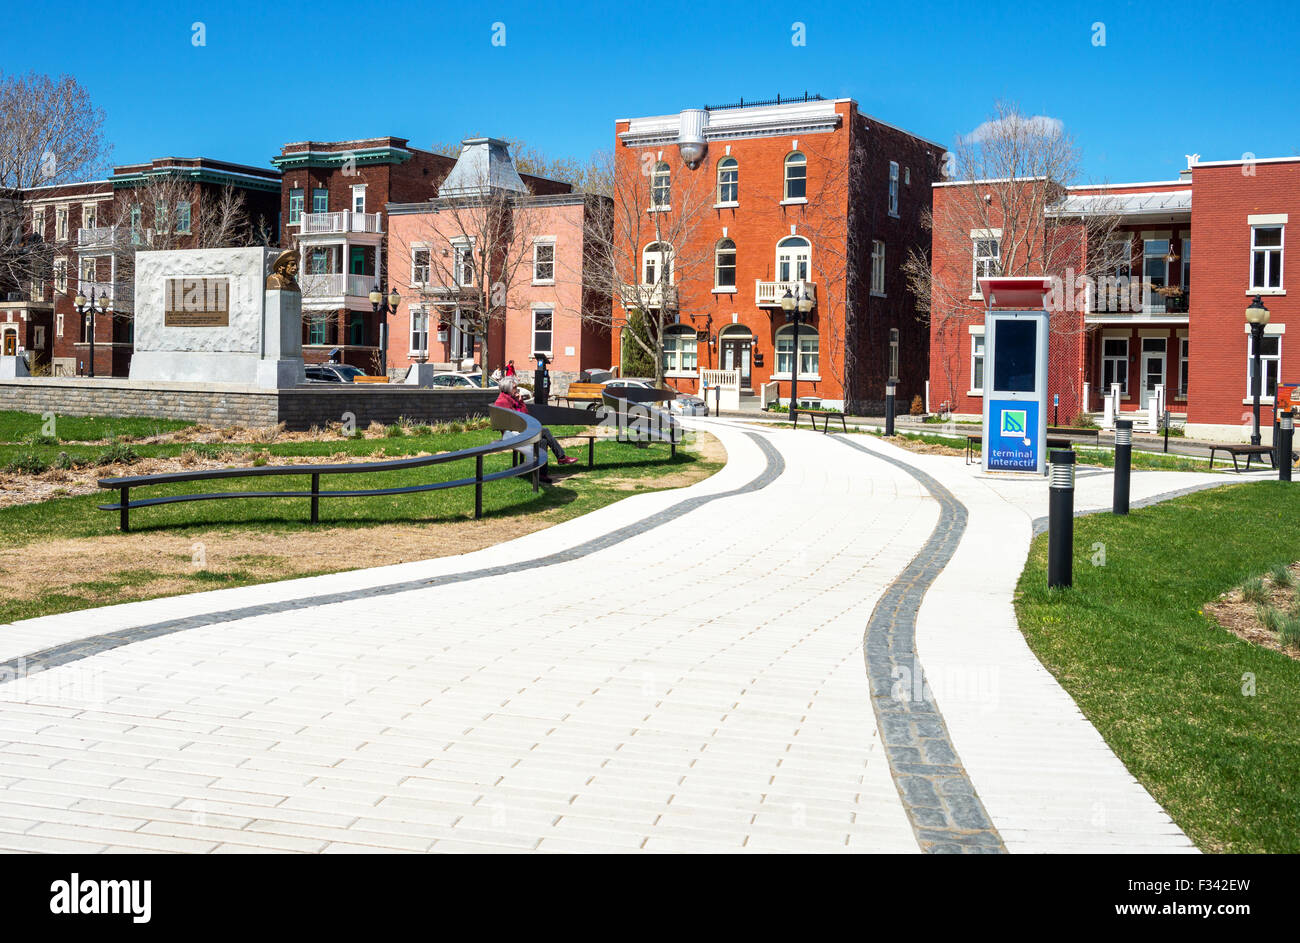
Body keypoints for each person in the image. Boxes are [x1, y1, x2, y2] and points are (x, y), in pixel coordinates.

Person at [493, 376, 577, 484]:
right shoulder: (503, 402)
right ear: (508, 388)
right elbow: (514, 422)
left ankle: (542, 474)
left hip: (518, 431)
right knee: (545, 431)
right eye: (514, 387)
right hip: (511, 435)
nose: (516, 389)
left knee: (543, 441)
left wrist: (520, 402)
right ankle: (561, 457)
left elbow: (525, 416)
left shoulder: (510, 399)